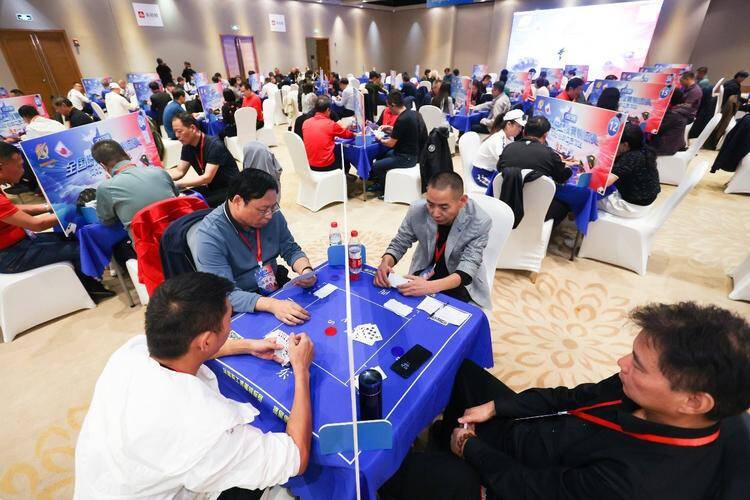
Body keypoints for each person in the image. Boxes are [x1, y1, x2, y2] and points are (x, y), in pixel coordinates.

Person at [381, 301, 750, 500]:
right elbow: (573, 397)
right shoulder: (638, 387)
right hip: (539, 433)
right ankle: (444, 439)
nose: (622, 363)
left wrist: (471, 448)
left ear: (694, 402)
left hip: (520, 477)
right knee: (461, 372)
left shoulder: (636, 484)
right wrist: (498, 407)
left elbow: (533, 488)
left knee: (399, 471)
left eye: (638, 364)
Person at [74, 272, 314, 498]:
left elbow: (191, 349)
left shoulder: (130, 353)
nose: (231, 324)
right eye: (229, 318)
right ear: (206, 341)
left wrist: (248, 345)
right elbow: (297, 456)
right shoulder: (204, 428)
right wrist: (300, 369)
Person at [194, 169, 316, 321]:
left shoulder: (273, 214)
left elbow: (290, 249)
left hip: (273, 285)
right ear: (238, 201)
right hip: (240, 302)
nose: (270, 215)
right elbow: (225, 293)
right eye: (263, 210)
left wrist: (305, 270)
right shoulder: (210, 235)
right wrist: (272, 305)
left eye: (273, 207)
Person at [0, 142, 114, 302]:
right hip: (12, 257)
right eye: (19, 165)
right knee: (80, 249)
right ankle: (89, 290)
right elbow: (36, 225)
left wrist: (48, 207)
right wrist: (73, 209)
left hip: (20, 244)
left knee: (75, 238)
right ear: (1, 166)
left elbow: (12, 209)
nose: (23, 170)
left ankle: (87, 282)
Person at [374, 172, 492, 308]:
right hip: (424, 272)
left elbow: (468, 266)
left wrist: (429, 287)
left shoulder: (479, 221)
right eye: (430, 204)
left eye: (444, 207)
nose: (435, 213)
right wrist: (386, 263)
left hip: (458, 281)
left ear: (462, 201)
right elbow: (400, 242)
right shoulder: (417, 210)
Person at [91, 139, 178, 239]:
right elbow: (176, 195)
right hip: (182, 234)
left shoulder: (106, 187)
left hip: (149, 245)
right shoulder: (159, 171)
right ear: (127, 154)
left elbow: (107, 221)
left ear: (102, 165)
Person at [497, 116, 573, 224]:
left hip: (506, 205)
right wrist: (569, 168)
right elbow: (561, 178)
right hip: (536, 210)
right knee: (565, 205)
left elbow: (499, 169)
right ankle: (540, 230)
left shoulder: (508, 148)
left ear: (524, 131)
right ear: (545, 135)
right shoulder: (550, 155)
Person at [168, 113, 240, 207]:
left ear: (193, 128)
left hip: (231, 190)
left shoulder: (215, 145)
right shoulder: (187, 146)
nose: (177, 135)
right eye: (175, 132)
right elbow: (179, 171)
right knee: (181, 197)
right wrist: (162, 177)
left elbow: (207, 178)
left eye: (179, 131)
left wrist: (177, 184)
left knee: (192, 204)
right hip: (212, 188)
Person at [598, 122, 660, 218]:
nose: (613, 144)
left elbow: (604, 183)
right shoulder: (644, 150)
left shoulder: (631, 158)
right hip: (646, 200)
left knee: (586, 197)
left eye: (615, 142)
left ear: (625, 145)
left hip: (631, 206)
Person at [370, 90, 421, 191]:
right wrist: (390, 128)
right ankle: (380, 182)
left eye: (389, 107)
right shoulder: (410, 114)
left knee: (376, 166)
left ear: (393, 105)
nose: (388, 109)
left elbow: (390, 143)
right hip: (412, 153)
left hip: (406, 158)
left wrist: (380, 139)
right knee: (381, 155)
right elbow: (403, 131)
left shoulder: (401, 120)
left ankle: (385, 189)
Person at [471, 110, 526, 188]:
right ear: (509, 124)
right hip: (481, 174)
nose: (520, 130)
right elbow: (503, 162)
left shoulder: (510, 137)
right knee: (503, 188)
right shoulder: (497, 139)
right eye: (519, 126)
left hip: (493, 172)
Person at [302, 96, 355, 172]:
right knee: (343, 154)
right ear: (328, 110)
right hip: (326, 165)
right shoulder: (330, 124)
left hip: (309, 164)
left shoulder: (306, 123)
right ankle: (342, 175)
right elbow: (346, 134)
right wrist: (354, 134)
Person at [649, 88, 688, 156]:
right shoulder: (680, 111)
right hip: (677, 144)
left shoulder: (670, 115)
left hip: (665, 148)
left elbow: (653, 129)